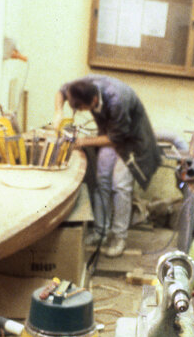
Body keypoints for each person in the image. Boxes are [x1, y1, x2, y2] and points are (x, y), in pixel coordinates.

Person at [53, 75, 161, 257]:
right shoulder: (83, 86)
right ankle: (101, 232)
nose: (80, 112)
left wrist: (82, 141)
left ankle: (119, 237)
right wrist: (58, 113)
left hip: (131, 141)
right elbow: (61, 91)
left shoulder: (117, 100)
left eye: (82, 109)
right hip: (110, 134)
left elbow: (115, 139)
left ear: (94, 100)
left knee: (120, 185)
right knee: (101, 180)